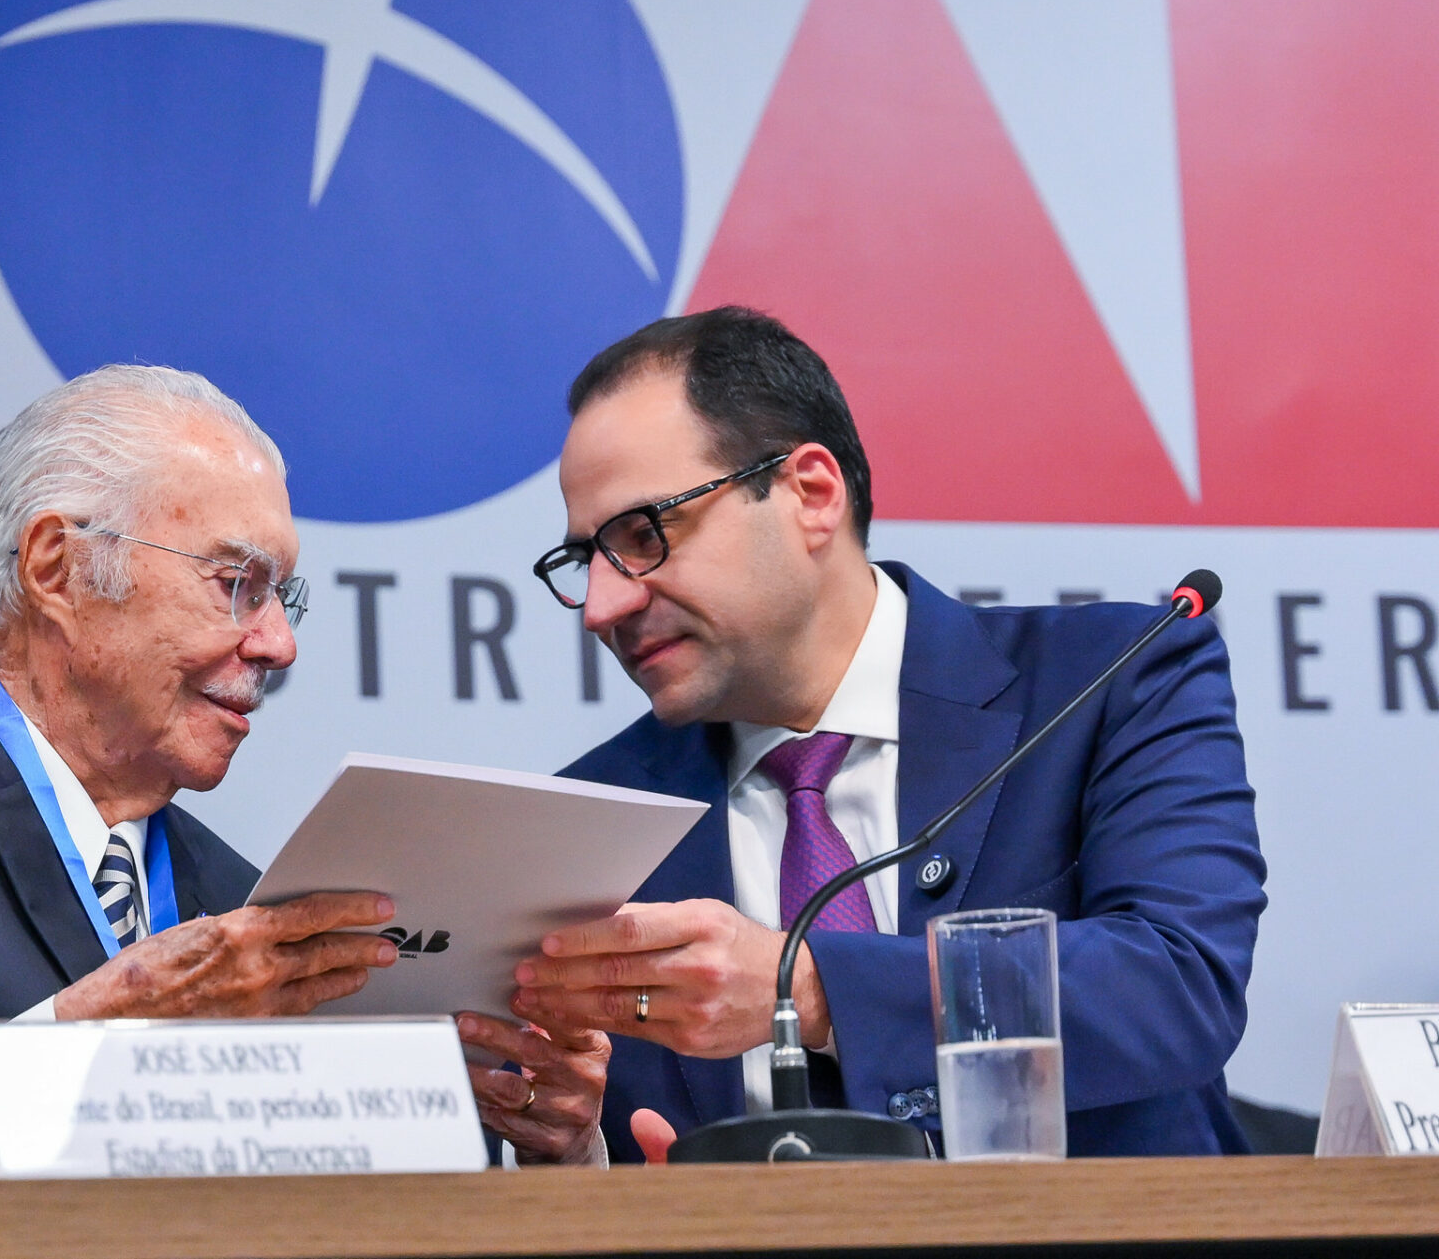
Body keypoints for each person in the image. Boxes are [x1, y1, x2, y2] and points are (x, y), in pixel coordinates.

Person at [0, 365, 605, 1172]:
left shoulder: (240, 901)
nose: (278, 643)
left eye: (283, 597)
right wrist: (90, 1036)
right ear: (57, 566)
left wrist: (523, 1134)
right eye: (236, 585)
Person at [510, 307, 1265, 1161]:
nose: (603, 607)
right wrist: (572, 1147)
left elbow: (1176, 983)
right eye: (584, 563)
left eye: (643, 536)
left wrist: (809, 989)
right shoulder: (592, 814)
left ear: (810, 495)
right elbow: (585, 1130)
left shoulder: (1109, 679)